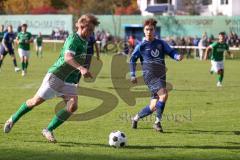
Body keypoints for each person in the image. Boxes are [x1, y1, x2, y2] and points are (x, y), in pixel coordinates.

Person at [3, 14, 100, 143]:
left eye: (93, 30)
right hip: (57, 75)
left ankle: (48, 129)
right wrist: (81, 69)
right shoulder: (73, 39)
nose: (91, 33)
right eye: (90, 30)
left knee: (73, 106)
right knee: (35, 101)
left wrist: (79, 76)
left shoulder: (85, 41)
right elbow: (68, 57)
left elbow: (77, 60)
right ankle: (12, 119)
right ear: (82, 27)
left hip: (69, 80)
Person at [130, 18, 183, 132]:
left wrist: (177, 56)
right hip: (150, 75)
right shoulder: (141, 46)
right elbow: (132, 59)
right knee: (164, 95)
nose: (149, 31)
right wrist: (133, 74)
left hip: (161, 75)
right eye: (147, 29)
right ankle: (157, 122)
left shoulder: (161, 43)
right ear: (144, 31)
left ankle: (136, 118)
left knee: (153, 106)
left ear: (155, 31)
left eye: (151, 29)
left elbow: (171, 51)